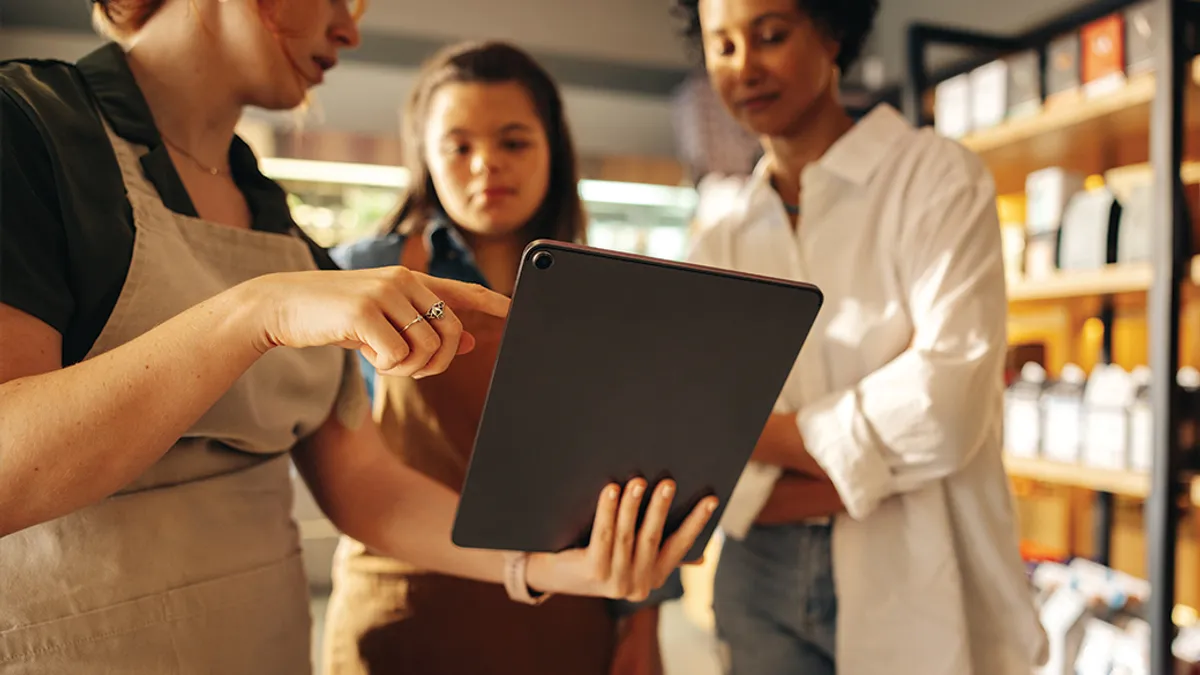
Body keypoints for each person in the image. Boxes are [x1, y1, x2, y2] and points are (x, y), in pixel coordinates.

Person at [0, 1, 718, 672]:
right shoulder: (30, 129)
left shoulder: (280, 227)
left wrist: (547, 568)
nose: (350, 30)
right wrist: (259, 312)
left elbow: (364, 482)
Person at [671, 0, 1050, 673]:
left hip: (913, 555)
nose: (744, 67)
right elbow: (694, 432)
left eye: (771, 35)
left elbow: (947, 401)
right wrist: (876, 463)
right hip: (759, 570)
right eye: (721, 45)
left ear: (833, 31)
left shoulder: (935, 176)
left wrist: (761, 436)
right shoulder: (719, 238)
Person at [320, 41, 681, 675]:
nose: (487, 164)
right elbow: (329, 458)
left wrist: (641, 625)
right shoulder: (361, 276)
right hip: (401, 618)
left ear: (553, 151)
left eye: (513, 142)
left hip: (565, 618)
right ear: (426, 158)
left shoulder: (610, 296)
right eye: (459, 147)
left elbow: (641, 474)